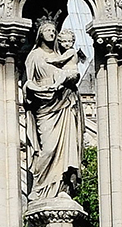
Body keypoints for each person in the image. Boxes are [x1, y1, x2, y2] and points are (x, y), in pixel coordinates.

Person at [23, 11, 83, 199]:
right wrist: (39, 89)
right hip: (44, 107)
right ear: (40, 33)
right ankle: (40, 187)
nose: (52, 33)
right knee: (47, 149)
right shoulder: (34, 56)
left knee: (65, 150)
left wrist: (68, 81)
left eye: (54, 31)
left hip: (64, 104)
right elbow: (28, 83)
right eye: (48, 30)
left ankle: (62, 188)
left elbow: (72, 74)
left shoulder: (62, 55)